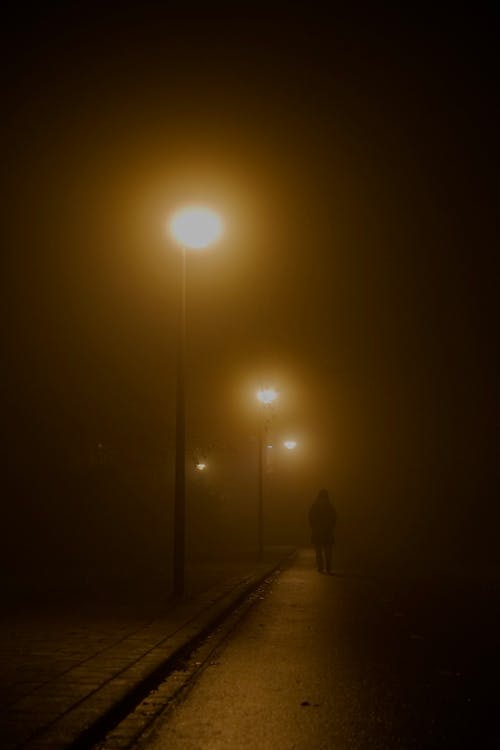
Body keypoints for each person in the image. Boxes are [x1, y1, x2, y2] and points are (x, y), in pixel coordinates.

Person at [308, 488, 336, 573]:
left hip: (317, 531)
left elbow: (310, 517)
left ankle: (320, 567)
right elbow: (334, 518)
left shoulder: (314, 506)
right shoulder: (330, 506)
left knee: (318, 550)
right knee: (328, 550)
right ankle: (328, 566)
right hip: (328, 531)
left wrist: (313, 526)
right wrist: (331, 526)